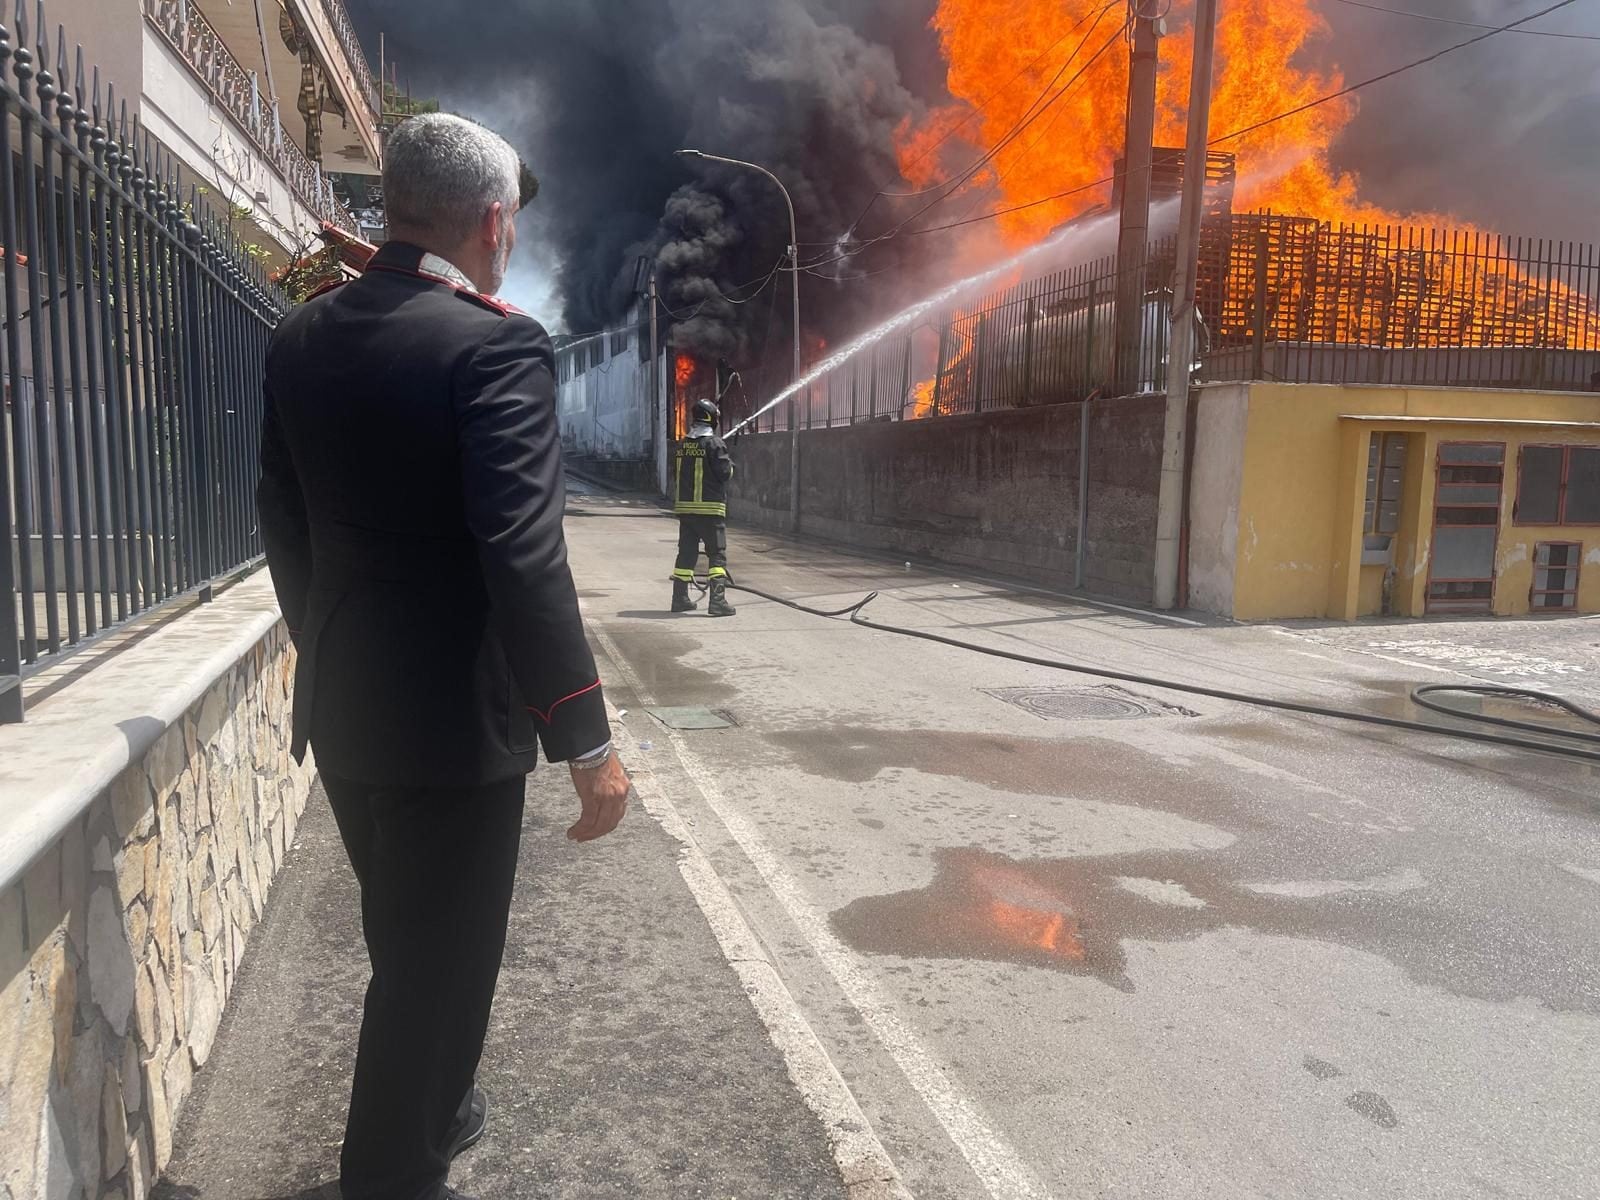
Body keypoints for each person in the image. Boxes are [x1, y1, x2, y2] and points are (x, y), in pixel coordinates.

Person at [257, 112, 629, 1200]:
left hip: (345, 708)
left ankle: (444, 1110)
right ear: (492, 221)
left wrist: (326, 645)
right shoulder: (495, 345)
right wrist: (584, 735)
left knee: (408, 943)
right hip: (453, 732)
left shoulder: (301, 338)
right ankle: (390, 1175)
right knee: (438, 970)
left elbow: (281, 522)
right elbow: (523, 552)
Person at [670, 397, 738, 617]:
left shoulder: (683, 444)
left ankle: (679, 599)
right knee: (716, 555)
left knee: (686, 554)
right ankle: (717, 602)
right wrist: (730, 464)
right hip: (710, 512)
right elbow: (724, 474)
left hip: (686, 512)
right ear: (713, 419)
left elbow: (676, 474)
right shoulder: (715, 444)